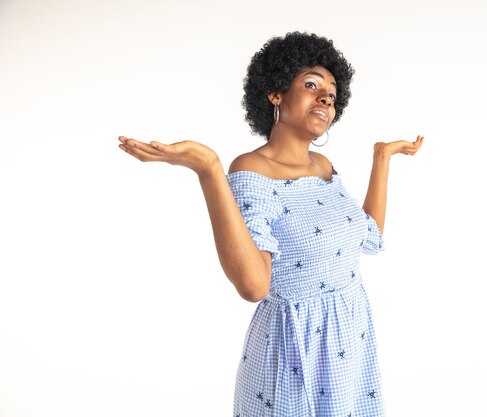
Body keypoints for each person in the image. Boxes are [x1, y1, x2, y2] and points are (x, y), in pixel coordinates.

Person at [118, 31, 423, 417]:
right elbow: (254, 285)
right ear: (275, 94)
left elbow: (369, 237)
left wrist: (382, 158)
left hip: (350, 343)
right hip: (293, 352)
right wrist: (209, 168)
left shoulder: (325, 168)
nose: (326, 97)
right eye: (311, 84)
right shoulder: (251, 171)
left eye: (331, 91)